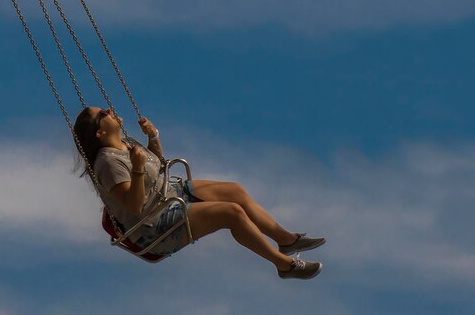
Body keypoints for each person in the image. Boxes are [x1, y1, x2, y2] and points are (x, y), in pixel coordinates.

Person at [73, 107, 325, 279]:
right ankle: (284, 265)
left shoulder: (126, 142)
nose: (109, 109)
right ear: (99, 133)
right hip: (153, 224)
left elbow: (157, 164)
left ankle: (286, 240)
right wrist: (137, 168)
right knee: (231, 213)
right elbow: (135, 205)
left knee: (234, 191)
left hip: (168, 193)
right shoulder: (107, 163)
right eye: (103, 113)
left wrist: (153, 137)